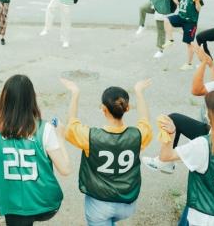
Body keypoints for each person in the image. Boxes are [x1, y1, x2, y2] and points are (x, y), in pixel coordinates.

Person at [142, 33, 214, 174]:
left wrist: (203, 63)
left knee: (172, 119)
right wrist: (212, 65)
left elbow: (196, 90)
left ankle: (164, 162)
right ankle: (166, 163)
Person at [0, 75, 70, 226]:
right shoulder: (44, 129)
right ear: (32, 99)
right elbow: (65, 169)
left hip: (13, 204)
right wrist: (60, 137)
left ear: (5, 99)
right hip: (43, 201)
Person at [62, 78, 153, 226]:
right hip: (127, 203)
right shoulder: (138, 135)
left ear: (103, 109)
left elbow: (71, 124)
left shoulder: (90, 137)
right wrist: (139, 92)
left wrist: (75, 93)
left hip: (99, 205)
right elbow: (145, 121)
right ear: (128, 108)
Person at [156, 90, 214, 225]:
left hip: (205, 217)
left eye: (208, 110)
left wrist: (171, 133)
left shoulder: (203, 144)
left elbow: (165, 156)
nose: (205, 113)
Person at [160, 0, 204, 69]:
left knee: (189, 43)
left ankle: (189, 64)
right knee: (166, 19)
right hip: (181, 17)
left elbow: (198, 9)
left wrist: (197, 1)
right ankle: (170, 40)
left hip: (190, 22)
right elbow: (178, 3)